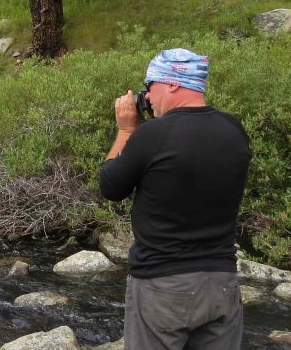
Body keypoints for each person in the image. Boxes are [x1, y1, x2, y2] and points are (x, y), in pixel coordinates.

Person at [99, 48, 251, 349]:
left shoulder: (154, 134)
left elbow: (110, 186)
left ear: (172, 84)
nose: (148, 97)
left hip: (163, 285)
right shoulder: (234, 130)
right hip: (221, 282)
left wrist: (127, 130)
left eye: (149, 85)